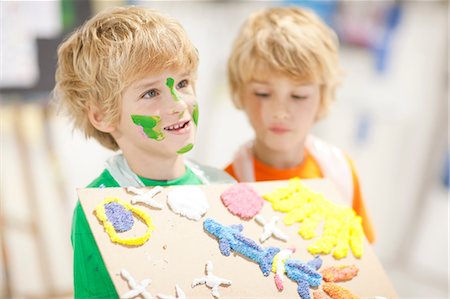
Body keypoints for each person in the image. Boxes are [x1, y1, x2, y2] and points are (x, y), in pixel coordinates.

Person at [54, 6, 234, 298]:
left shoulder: (222, 187)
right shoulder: (100, 211)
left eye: (183, 83)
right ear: (102, 116)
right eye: (151, 93)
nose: (178, 104)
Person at [224, 7, 375, 243]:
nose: (280, 111)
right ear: (240, 92)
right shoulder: (226, 185)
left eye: (299, 96)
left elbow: (363, 262)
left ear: (322, 97)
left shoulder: (341, 172)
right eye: (263, 93)